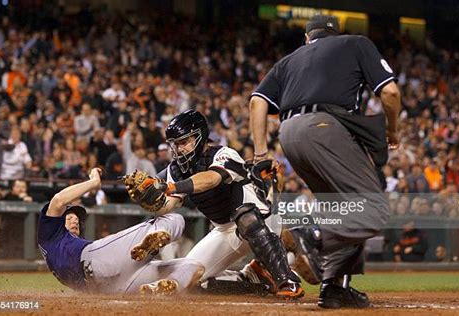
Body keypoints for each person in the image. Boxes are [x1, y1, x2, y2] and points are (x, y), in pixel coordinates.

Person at [249, 15, 401, 308]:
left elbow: (257, 102)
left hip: (289, 135)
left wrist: (260, 153)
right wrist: (392, 130)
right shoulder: (355, 43)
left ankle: (335, 287)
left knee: (345, 208)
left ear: (307, 38)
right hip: (325, 128)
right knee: (372, 208)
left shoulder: (289, 60)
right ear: (335, 33)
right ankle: (312, 235)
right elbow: (391, 92)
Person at [130, 110, 304, 300]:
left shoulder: (224, 153)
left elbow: (210, 179)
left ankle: (287, 280)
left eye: (183, 142)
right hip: (224, 229)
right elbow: (167, 205)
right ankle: (254, 280)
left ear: (200, 137)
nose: (178, 149)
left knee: (246, 216)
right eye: (175, 144)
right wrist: (148, 201)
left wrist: (169, 186)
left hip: (262, 219)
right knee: (190, 277)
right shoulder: (176, 169)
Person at [37, 167, 204, 295]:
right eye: (69, 217)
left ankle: (162, 287)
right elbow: (58, 200)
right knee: (174, 219)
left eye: (76, 219)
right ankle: (155, 237)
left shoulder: (64, 247)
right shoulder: (49, 235)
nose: (75, 220)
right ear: (57, 223)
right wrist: (94, 181)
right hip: (98, 268)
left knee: (194, 266)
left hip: (108, 284)